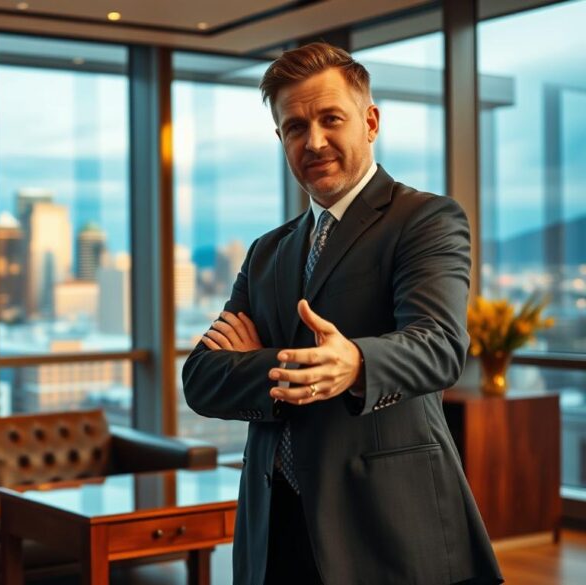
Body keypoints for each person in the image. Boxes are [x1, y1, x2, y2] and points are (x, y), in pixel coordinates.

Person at [181, 42, 503, 585]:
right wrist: (303, 372)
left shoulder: (424, 220)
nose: (314, 141)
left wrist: (353, 362)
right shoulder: (268, 251)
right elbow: (201, 378)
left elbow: (440, 345)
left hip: (384, 523)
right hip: (274, 524)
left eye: (331, 119)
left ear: (370, 121)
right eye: (294, 127)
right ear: (280, 138)